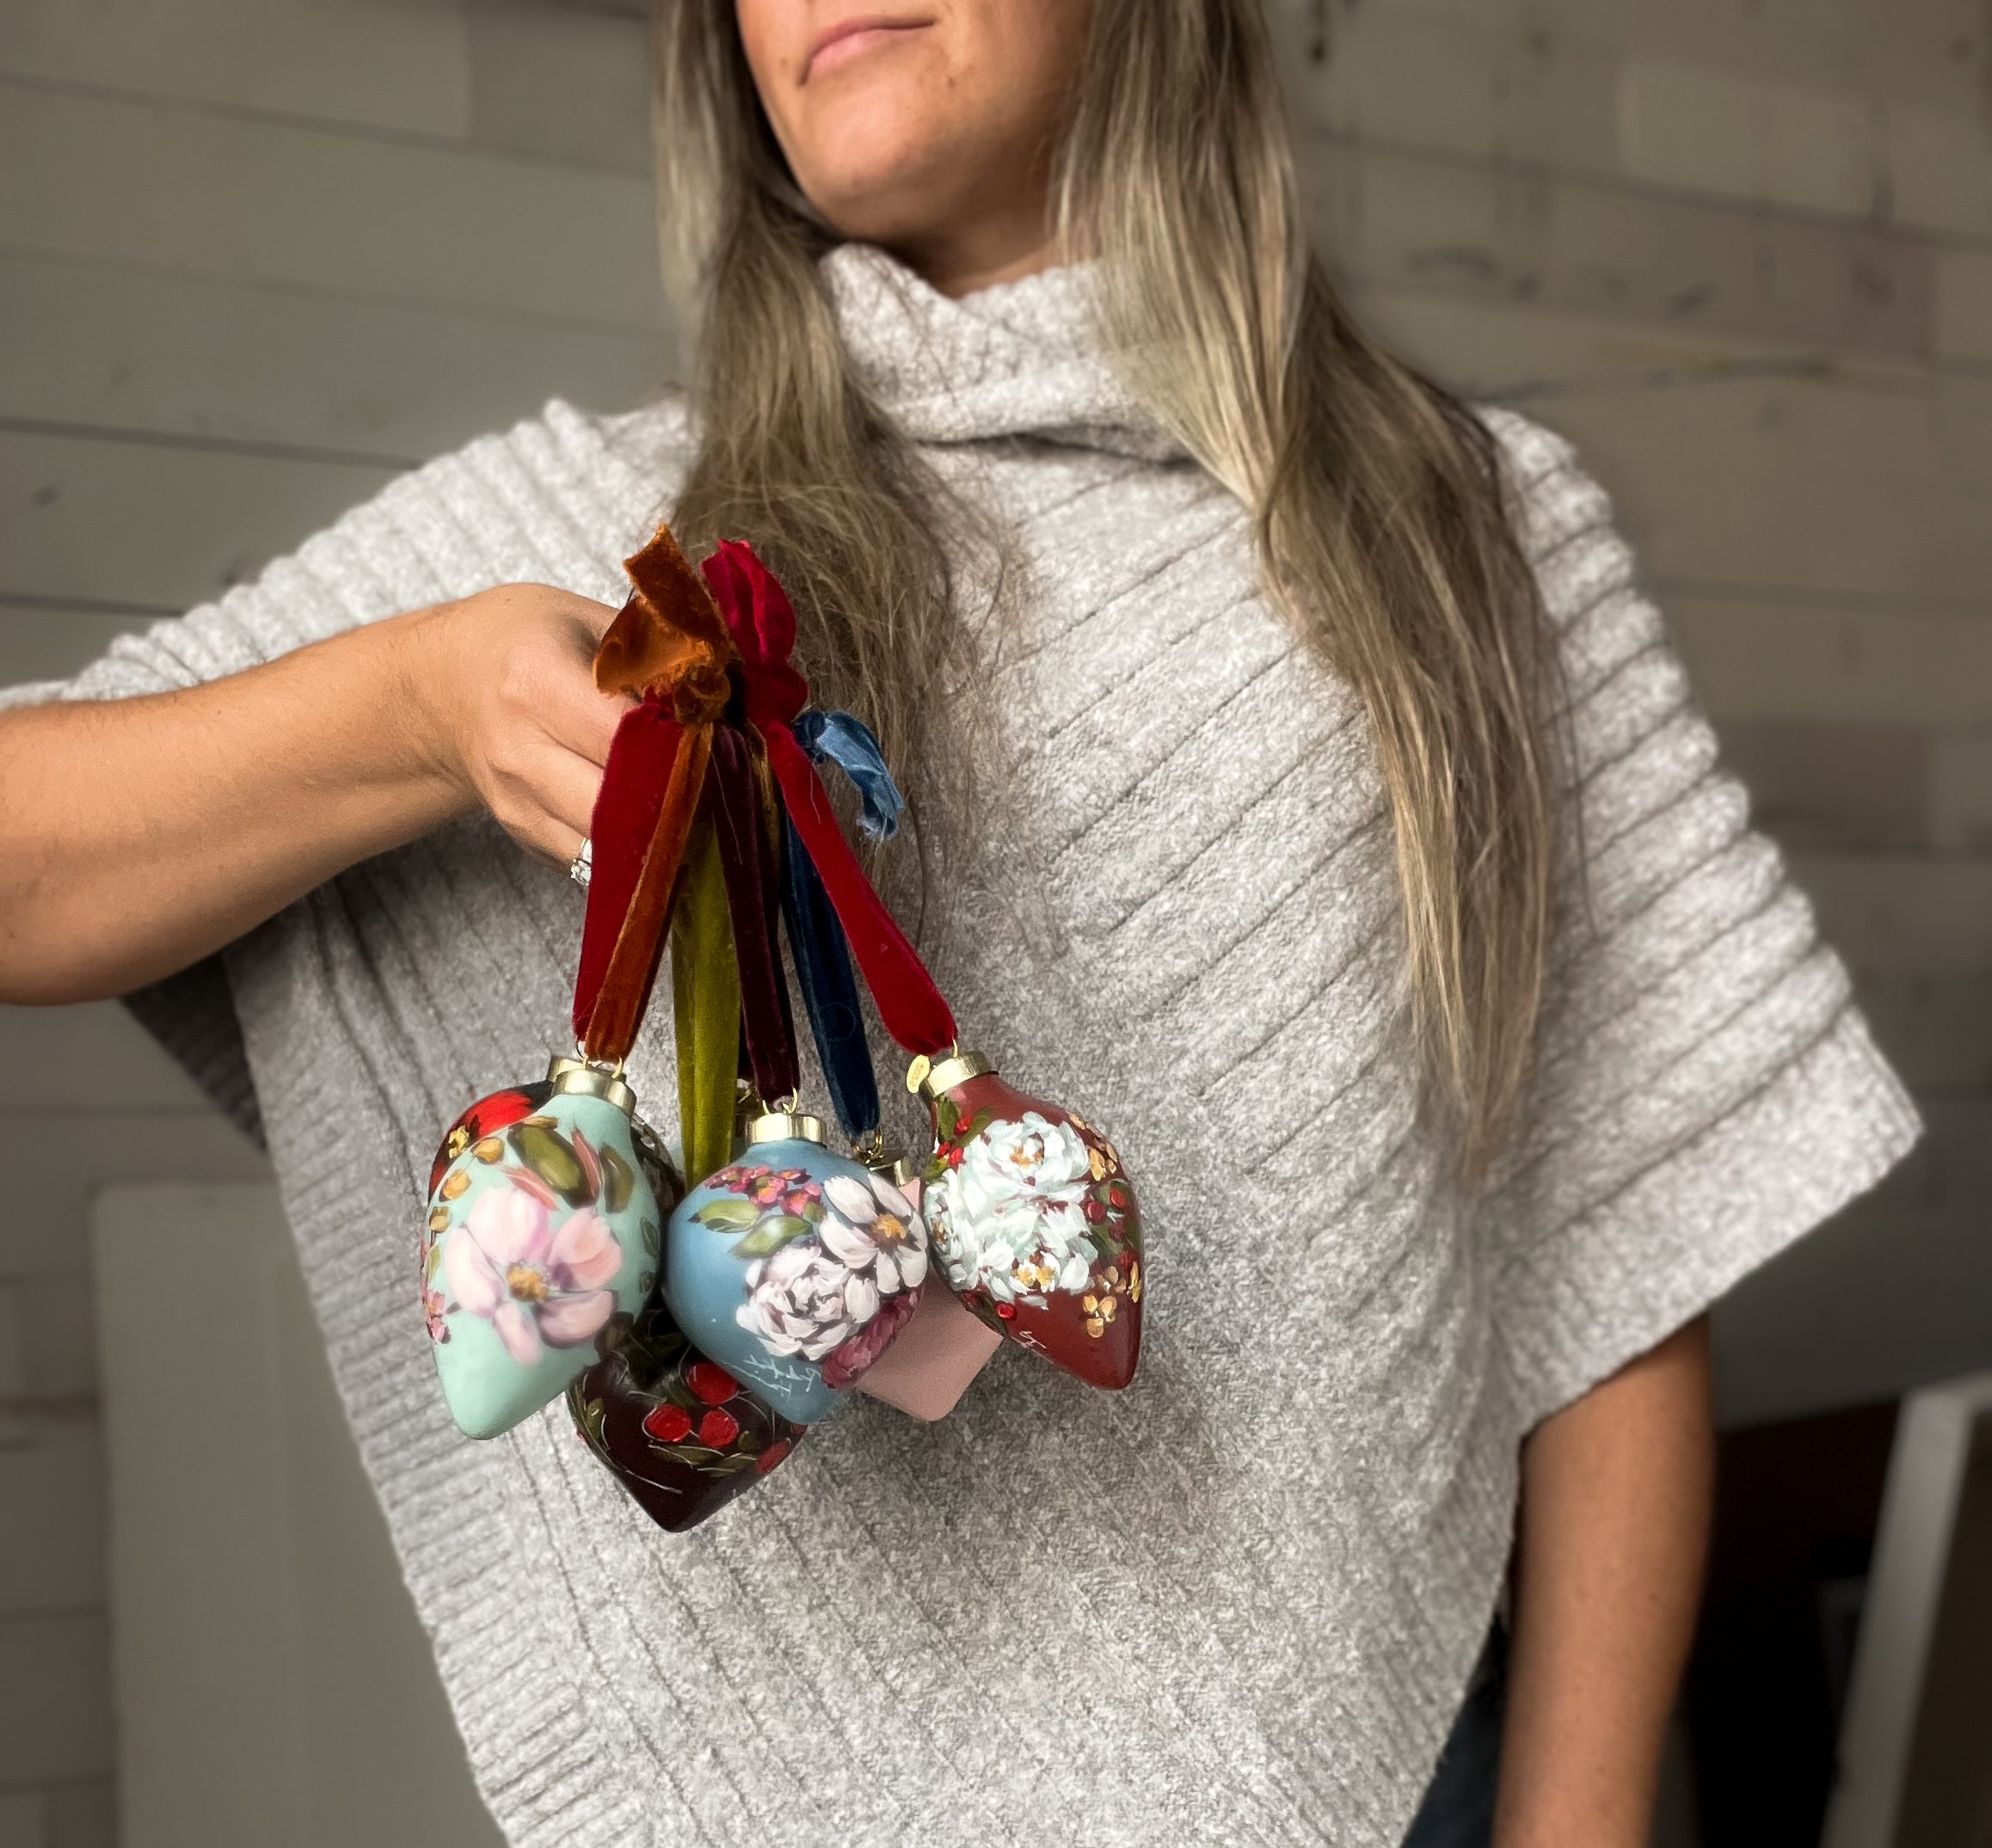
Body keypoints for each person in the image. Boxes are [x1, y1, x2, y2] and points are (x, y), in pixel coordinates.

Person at [0, 3, 1921, 1845]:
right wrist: (417, 709)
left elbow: (1627, 1237)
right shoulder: (622, 544)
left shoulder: (1463, 532)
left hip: (1392, 1782)